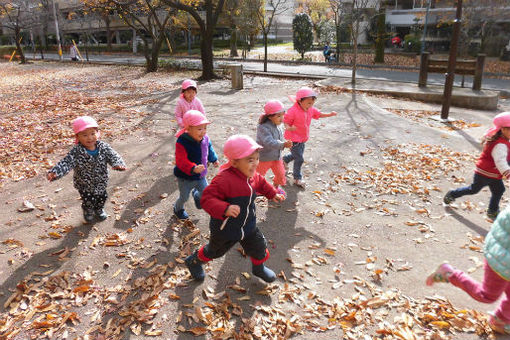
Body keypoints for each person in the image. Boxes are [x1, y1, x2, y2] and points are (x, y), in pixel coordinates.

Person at [184, 135, 285, 283]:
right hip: (226, 229)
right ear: (234, 162)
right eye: (250, 160)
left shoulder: (252, 176)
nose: (256, 163)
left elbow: (262, 183)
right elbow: (207, 199)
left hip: (248, 225)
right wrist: (225, 208)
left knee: (259, 247)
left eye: (257, 158)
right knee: (214, 251)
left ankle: (259, 268)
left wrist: (272, 193)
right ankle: (194, 261)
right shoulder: (224, 180)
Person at [426, 206, 510, 334]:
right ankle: (449, 274)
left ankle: (500, 319)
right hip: (501, 260)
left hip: (502, 254)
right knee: (487, 295)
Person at [47, 116, 126, 223]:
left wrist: (118, 163)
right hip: (84, 184)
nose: (89, 138)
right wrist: (56, 172)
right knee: (88, 200)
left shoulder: (103, 147)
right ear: (78, 137)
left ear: (98, 133)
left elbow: (113, 155)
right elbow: (66, 162)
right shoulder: (77, 151)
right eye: (84, 135)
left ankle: (99, 209)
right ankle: (88, 210)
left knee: (102, 197)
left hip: (101, 181)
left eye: (92, 133)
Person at [444, 112, 510, 220]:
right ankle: (452, 194)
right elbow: (500, 161)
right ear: (503, 129)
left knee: (499, 190)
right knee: (473, 189)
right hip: (484, 174)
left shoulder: (503, 140)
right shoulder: (500, 145)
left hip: (494, 174)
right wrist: (508, 173)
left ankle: (492, 211)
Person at [282, 87, 338, 188]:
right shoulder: (293, 111)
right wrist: (289, 128)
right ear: (300, 100)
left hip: (303, 138)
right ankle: (297, 178)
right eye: (308, 103)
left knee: (296, 155)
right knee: (299, 158)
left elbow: (319, 114)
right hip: (293, 139)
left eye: (312, 103)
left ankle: (284, 160)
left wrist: (330, 114)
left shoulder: (310, 109)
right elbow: (286, 122)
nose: (310, 105)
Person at [173, 110, 219, 220]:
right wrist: (192, 168)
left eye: (205, 128)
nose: (203, 132)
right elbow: (181, 161)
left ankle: (197, 195)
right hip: (186, 178)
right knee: (184, 197)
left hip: (201, 176)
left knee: (206, 193)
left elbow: (209, 149)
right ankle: (177, 208)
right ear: (188, 129)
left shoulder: (205, 138)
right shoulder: (182, 142)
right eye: (199, 129)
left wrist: (214, 159)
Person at [256, 100, 292, 192]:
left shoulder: (278, 125)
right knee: (258, 175)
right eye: (278, 116)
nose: (282, 118)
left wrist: (286, 143)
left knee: (281, 174)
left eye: (282, 115)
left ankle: (275, 187)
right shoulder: (263, 127)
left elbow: (279, 139)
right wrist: (283, 144)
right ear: (270, 116)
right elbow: (269, 142)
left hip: (277, 157)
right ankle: (256, 189)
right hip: (265, 157)